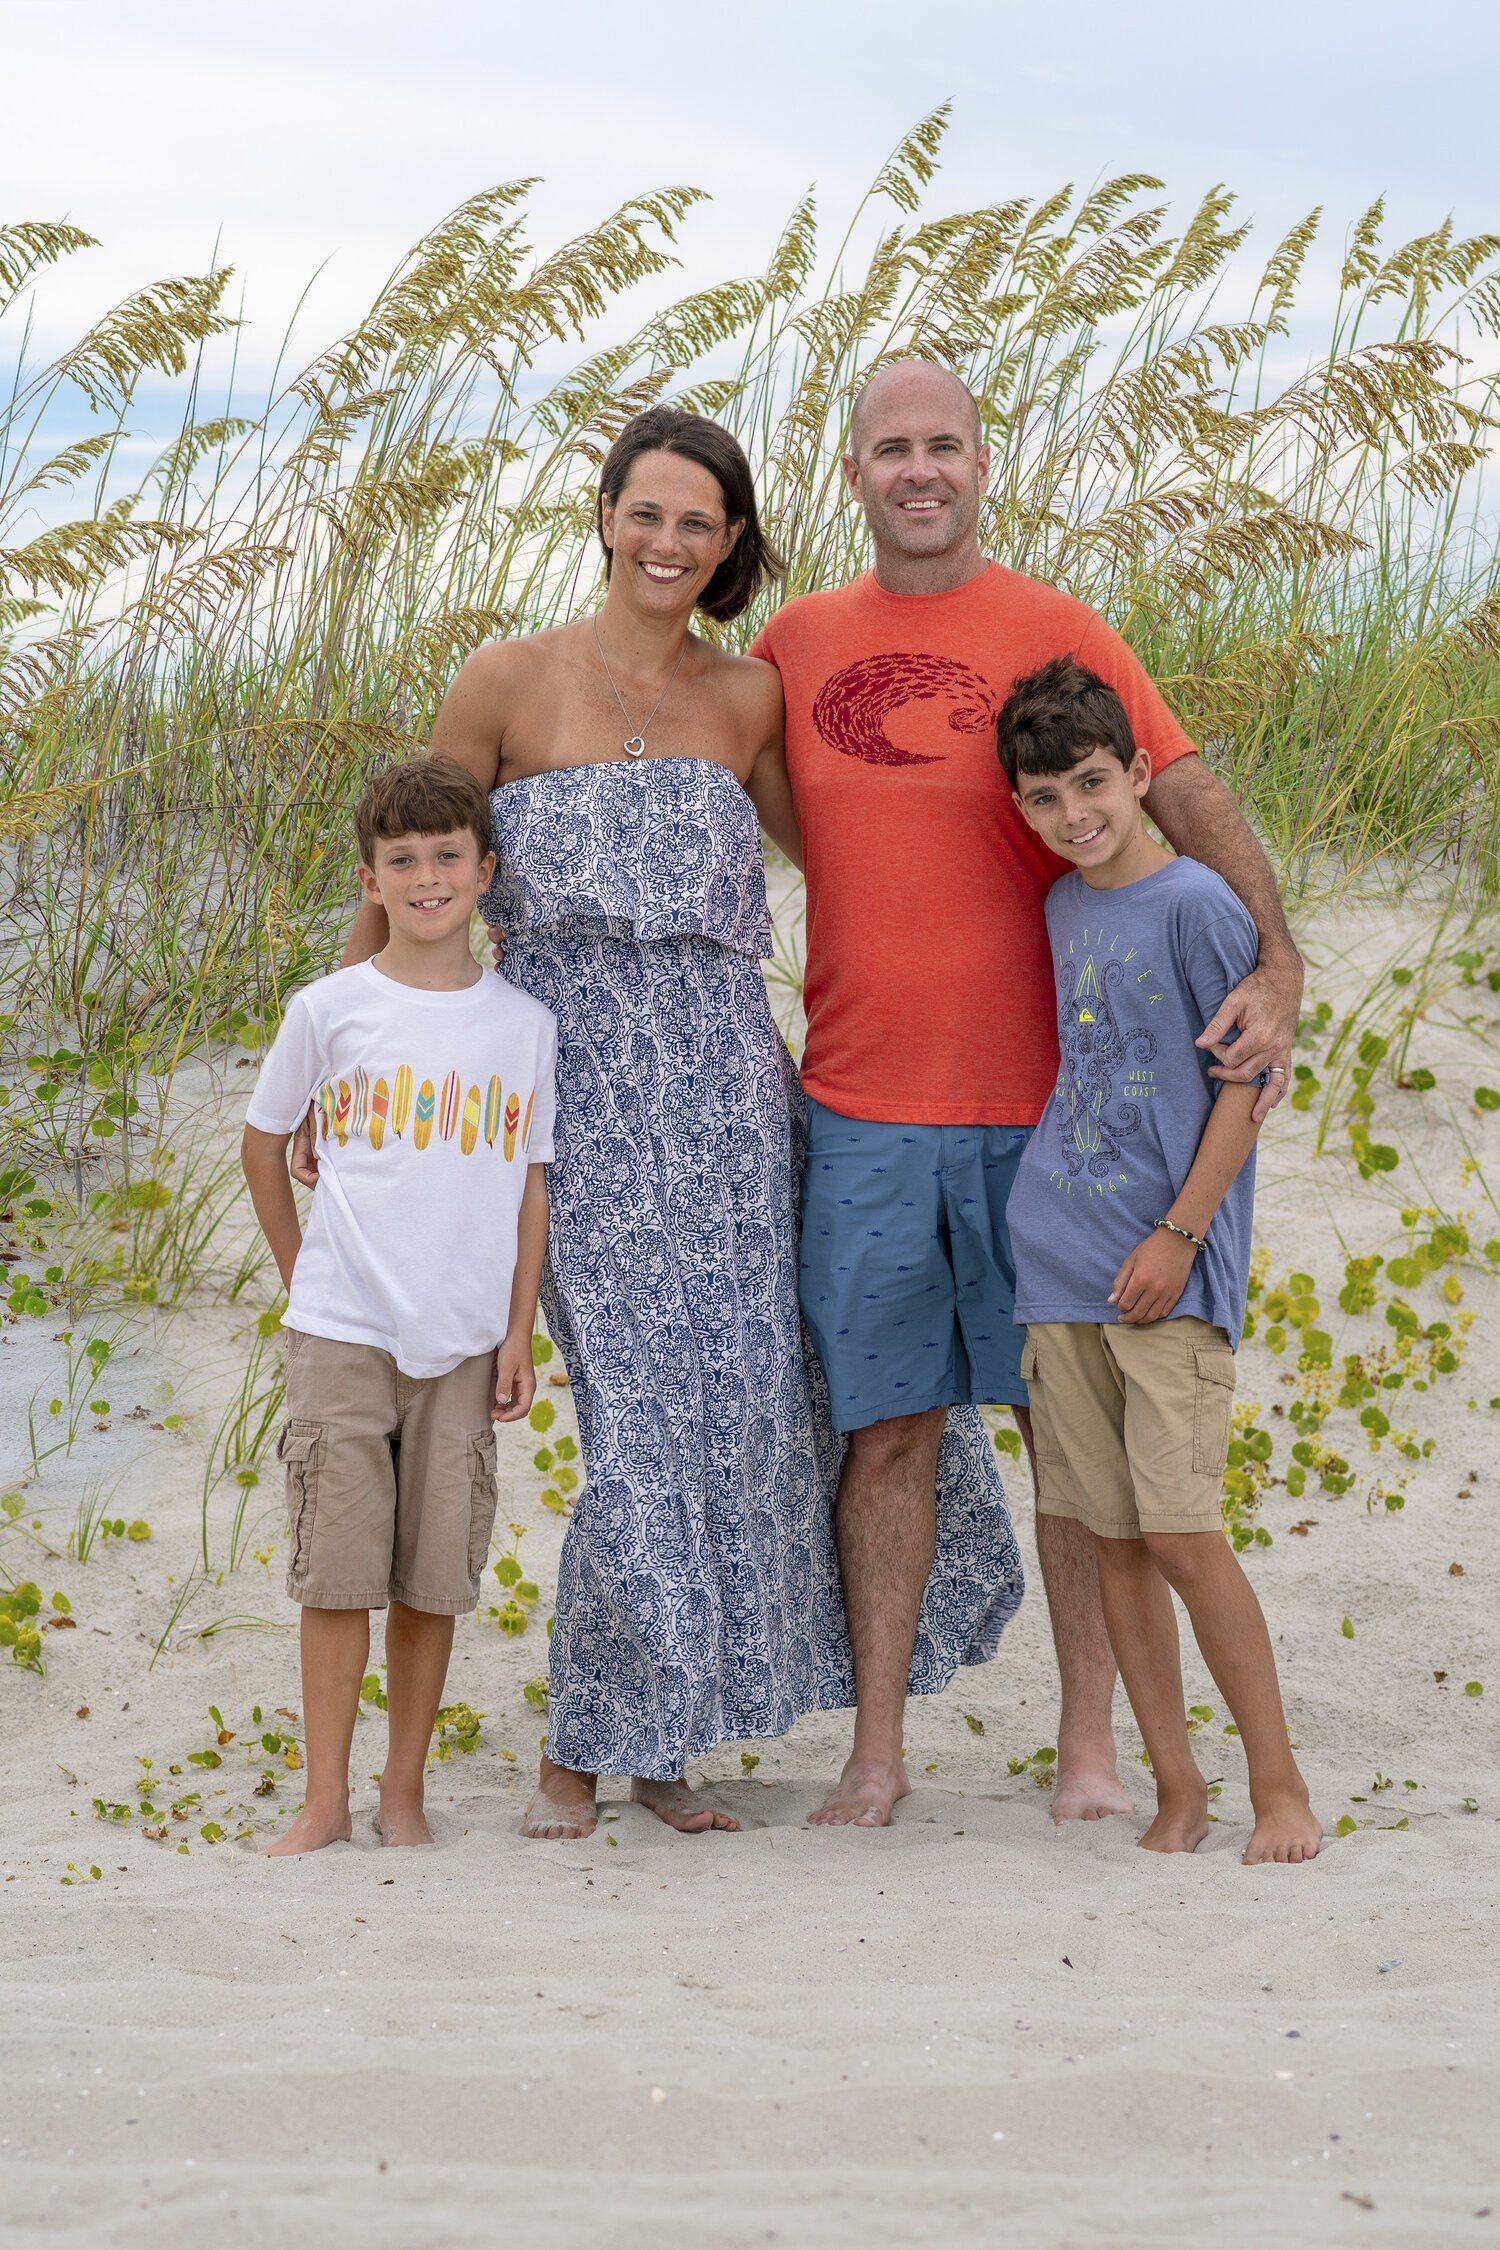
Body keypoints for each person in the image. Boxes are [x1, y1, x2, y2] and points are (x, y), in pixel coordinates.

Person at [296, 405, 1023, 1841]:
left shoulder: (749, 697)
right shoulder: (504, 678)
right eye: (649, 513)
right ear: (605, 513)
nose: (671, 542)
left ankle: (665, 1741)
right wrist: (344, 1054)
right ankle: (584, 1746)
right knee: (633, 1420)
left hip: (734, 1089)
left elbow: (859, 868)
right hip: (567, 1092)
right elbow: (407, 877)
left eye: (702, 524)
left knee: (747, 1408)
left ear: (731, 543)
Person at [748, 360, 1304, 1828]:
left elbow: (1181, 792)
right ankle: (877, 1749)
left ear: (984, 464)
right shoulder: (792, 645)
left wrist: (1283, 957)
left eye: (942, 446)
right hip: (864, 1107)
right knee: (888, 1431)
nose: (917, 470)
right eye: (889, 450)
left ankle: (1089, 1745)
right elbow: (774, 821)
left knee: (1070, 1446)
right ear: (851, 473)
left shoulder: (1056, 628)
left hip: (1055, 1125)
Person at [999, 657, 1321, 1863]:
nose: (1075, 815)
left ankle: (1279, 1785)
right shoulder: (1062, 907)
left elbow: (1246, 1086)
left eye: (1092, 783)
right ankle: (1176, 1787)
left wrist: (1180, 1237)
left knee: (1184, 1535)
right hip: (1060, 1261)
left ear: (1139, 773)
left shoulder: (1197, 905)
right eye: (1045, 798)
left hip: (1165, 1273)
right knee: (1113, 1541)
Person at [242, 757, 556, 1854]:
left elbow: (529, 1181)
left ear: (485, 870)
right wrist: (304, 1279)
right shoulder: (331, 1009)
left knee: (434, 1577)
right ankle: (324, 1800)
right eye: (402, 861)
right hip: (343, 1333)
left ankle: (402, 1793)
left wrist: (517, 1332)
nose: (427, 878)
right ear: (371, 880)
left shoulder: (522, 1025)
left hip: (465, 1342)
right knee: (335, 1573)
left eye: (446, 858)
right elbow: (263, 1144)